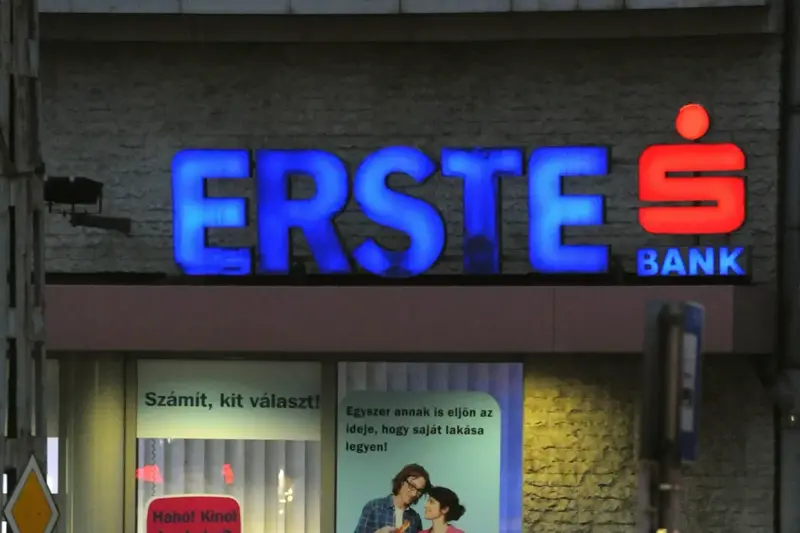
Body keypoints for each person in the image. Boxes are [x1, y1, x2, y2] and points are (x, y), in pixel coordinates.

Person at [354, 464, 431, 533]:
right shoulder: (374, 507)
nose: (414, 494)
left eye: (419, 491)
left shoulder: (415, 518)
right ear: (402, 481)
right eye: (412, 486)